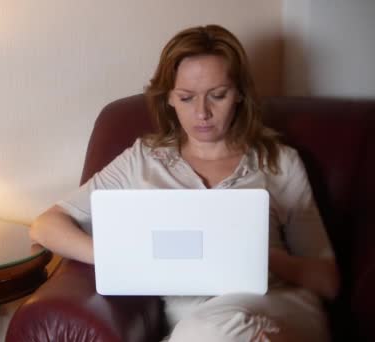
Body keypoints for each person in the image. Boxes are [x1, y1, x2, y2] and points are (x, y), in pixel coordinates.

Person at [29, 24, 340, 342]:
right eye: (187, 97)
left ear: (240, 95)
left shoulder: (279, 161)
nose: (202, 112)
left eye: (218, 95)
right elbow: (46, 225)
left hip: (276, 308)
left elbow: (327, 280)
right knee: (206, 332)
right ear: (168, 99)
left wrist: (259, 257)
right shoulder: (143, 159)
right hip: (196, 325)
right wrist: (117, 257)